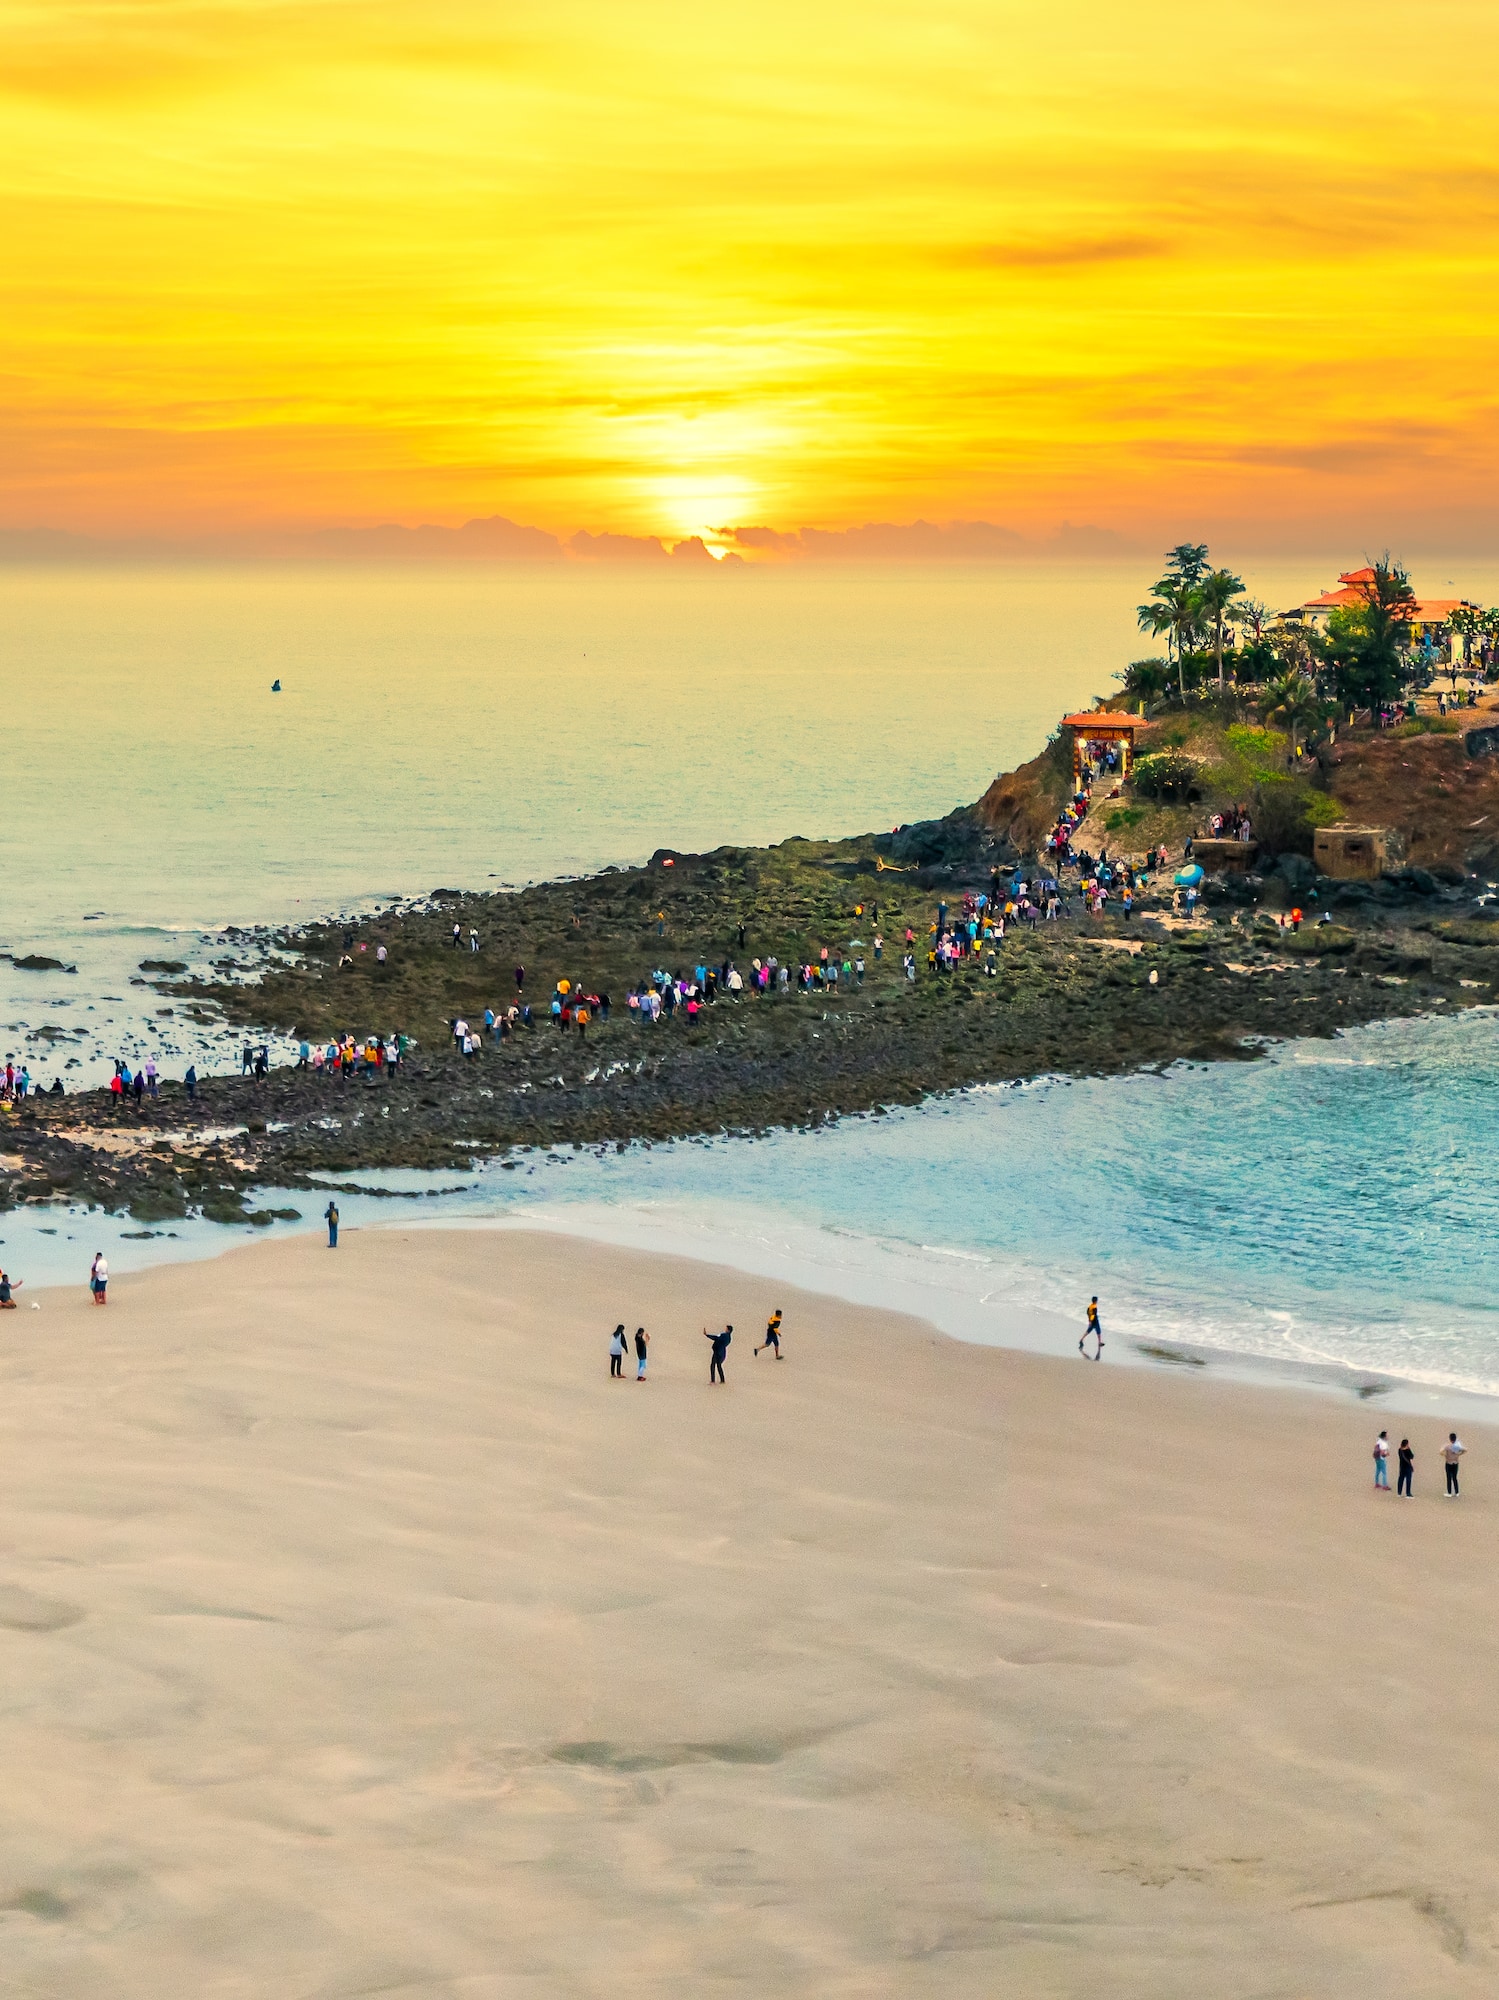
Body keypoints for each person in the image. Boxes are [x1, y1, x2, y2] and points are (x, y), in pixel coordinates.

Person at [1080, 1296, 1103, 1361]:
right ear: (1096, 1301)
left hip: (1091, 1320)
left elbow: (1087, 1312)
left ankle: (1081, 1339)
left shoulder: (1090, 1306)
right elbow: (1094, 1314)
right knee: (1098, 1331)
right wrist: (1091, 1321)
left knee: (1088, 1331)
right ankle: (1099, 1342)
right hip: (1095, 1321)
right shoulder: (1094, 1307)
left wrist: (1089, 1320)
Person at [1444, 1432, 1466, 1497]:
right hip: (1455, 1463)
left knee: (1449, 1478)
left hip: (1449, 1463)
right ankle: (1457, 1492)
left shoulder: (1448, 1447)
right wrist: (1459, 1454)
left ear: (1450, 1439)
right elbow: (1465, 1450)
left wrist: (1445, 1455)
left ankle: (1449, 1492)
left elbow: (1440, 1451)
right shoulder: (1457, 1447)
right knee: (1454, 1478)